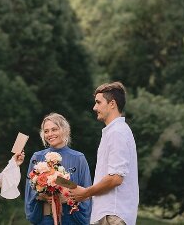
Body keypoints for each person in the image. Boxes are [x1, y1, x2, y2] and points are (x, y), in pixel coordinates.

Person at [69, 82, 138, 225]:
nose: (95, 108)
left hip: (112, 215)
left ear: (112, 104)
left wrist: (86, 193)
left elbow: (115, 178)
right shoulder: (114, 131)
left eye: (98, 102)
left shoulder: (117, 132)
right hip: (108, 214)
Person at [25, 113, 92, 225]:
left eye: (54, 129)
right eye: (46, 131)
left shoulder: (79, 158)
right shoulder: (37, 157)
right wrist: (42, 196)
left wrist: (67, 197)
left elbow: (87, 192)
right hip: (45, 220)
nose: (50, 134)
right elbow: (29, 191)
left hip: (71, 219)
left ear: (64, 130)